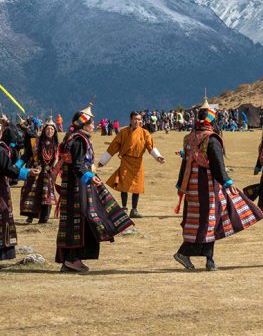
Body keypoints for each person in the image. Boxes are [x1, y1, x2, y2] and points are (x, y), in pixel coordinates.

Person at [173, 97, 263, 271]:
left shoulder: (189, 137)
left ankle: (209, 259)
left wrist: (180, 185)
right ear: (213, 120)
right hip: (207, 186)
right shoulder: (211, 139)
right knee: (210, 220)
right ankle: (187, 253)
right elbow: (217, 165)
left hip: (191, 186)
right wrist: (228, 182)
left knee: (200, 220)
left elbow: (185, 163)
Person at [56, 102, 133, 273]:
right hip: (78, 187)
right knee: (81, 219)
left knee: (78, 221)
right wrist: (90, 178)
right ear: (83, 124)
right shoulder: (78, 141)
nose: (93, 126)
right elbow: (77, 165)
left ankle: (73, 259)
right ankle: (71, 259)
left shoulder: (73, 137)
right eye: (91, 123)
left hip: (76, 185)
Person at [97, 111, 165, 218]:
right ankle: (124, 208)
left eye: (139, 119)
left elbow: (150, 146)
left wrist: (158, 156)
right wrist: (103, 161)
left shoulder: (144, 133)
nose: (137, 121)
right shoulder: (123, 132)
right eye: (135, 119)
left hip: (138, 162)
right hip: (126, 161)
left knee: (136, 187)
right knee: (124, 186)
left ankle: (134, 210)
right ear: (130, 120)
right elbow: (113, 147)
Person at [0, 120, 39, 261]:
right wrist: (27, 173)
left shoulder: (4, 151)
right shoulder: (2, 151)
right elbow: (9, 170)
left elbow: (11, 167)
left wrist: (25, 158)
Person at [18, 116, 58, 224]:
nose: (50, 131)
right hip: (36, 171)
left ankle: (44, 218)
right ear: (44, 130)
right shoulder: (37, 142)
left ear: (54, 132)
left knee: (46, 195)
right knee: (31, 192)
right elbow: (28, 152)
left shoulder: (55, 145)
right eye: (48, 129)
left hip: (48, 173)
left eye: (52, 129)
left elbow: (55, 159)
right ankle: (30, 216)